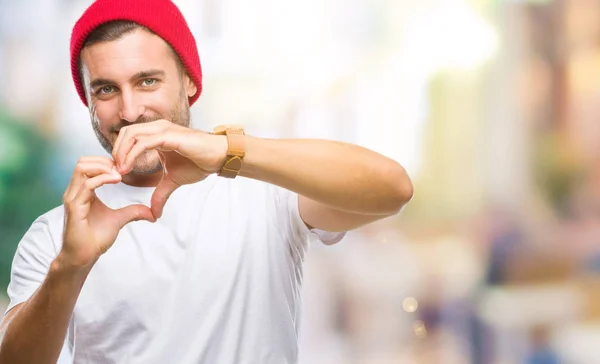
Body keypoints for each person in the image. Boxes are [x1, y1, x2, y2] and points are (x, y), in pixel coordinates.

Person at [0, 0, 413, 363]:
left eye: (148, 81)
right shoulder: (57, 236)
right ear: (89, 101)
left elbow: (393, 189)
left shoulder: (263, 191)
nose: (129, 110)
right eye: (106, 89)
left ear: (190, 81)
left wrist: (225, 151)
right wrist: (70, 266)